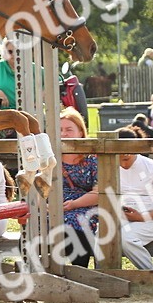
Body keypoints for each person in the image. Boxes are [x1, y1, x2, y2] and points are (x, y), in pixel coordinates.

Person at [111, 128, 153, 271]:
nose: (125, 154)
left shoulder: (152, 167)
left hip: (151, 220)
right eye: (120, 150)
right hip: (122, 219)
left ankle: (150, 274)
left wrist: (141, 216)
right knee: (101, 233)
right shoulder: (109, 167)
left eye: (129, 149)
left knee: (125, 239)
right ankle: (105, 275)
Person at [58, 107, 98, 267]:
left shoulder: (92, 158)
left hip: (84, 206)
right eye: (60, 129)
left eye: (69, 129)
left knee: (76, 221)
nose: (63, 133)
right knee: (36, 224)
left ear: (81, 132)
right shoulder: (49, 157)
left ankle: (79, 273)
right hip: (54, 206)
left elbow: (99, 192)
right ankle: (35, 274)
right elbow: (38, 188)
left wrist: (74, 204)